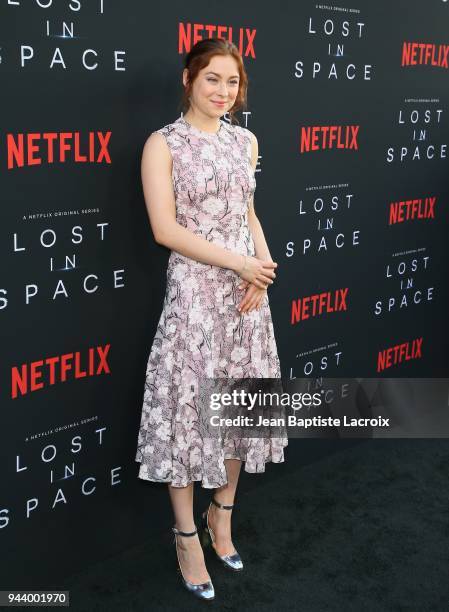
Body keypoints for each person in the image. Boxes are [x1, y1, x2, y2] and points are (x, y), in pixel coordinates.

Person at [135, 37, 288, 601]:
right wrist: (241, 264)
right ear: (188, 79)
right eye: (212, 80)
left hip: (246, 294)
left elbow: (248, 213)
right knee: (186, 410)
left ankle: (221, 516)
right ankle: (185, 536)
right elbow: (166, 231)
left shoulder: (245, 141)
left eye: (232, 82)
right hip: (196, 295)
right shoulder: (163, 145)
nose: (223, 92)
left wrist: (261, 272)